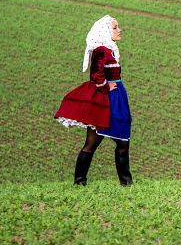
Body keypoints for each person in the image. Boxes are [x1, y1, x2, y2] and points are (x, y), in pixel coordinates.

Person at [54, 15, 133, 186]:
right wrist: (106, 87)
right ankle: (82, 182)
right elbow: (96, 74)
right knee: (104, 142)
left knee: (116, 142)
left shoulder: (110, 49)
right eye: (115, 27)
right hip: (107, 100)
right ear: (105, 31)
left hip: (116, 98)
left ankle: (124, 184)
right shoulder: (101, 50)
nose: (119, 30)